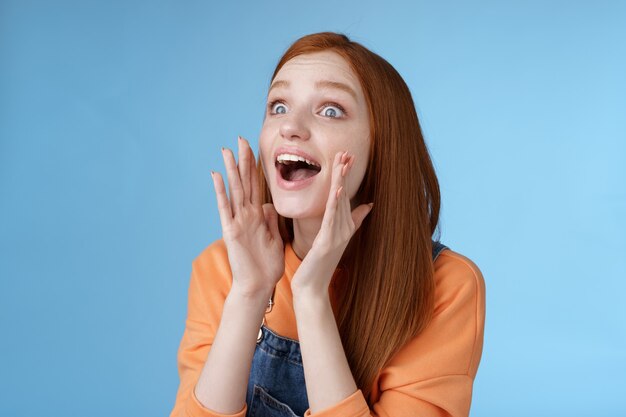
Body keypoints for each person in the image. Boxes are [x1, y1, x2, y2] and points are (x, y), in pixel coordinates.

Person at [169, 32, 486, 417]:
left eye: (331, 110)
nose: (291, 127)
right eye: (279, 106)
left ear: (382, 146)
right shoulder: (223, 269)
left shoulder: (444, 288)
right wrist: (249, 294)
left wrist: (311, 296)